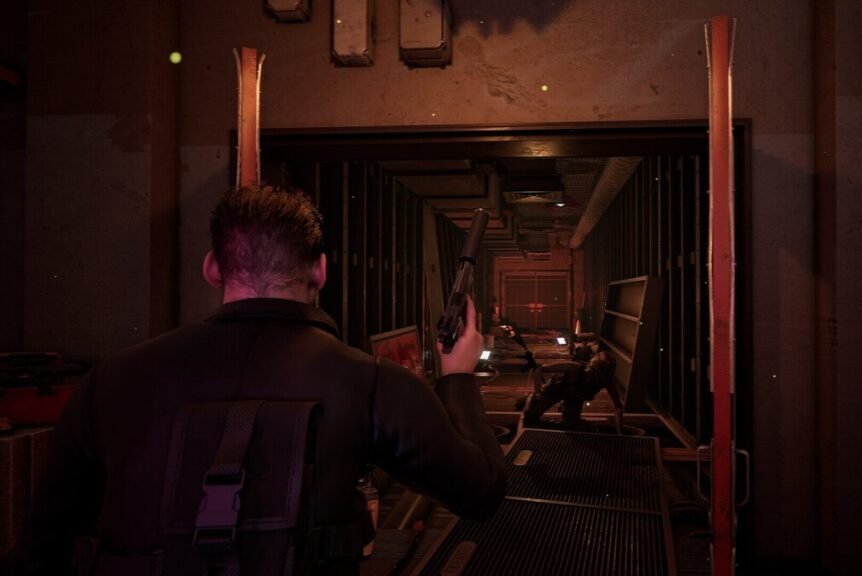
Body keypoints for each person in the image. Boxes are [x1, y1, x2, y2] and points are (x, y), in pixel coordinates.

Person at [5, 184, 506, 575]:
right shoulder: (372, 381)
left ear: (212, 268)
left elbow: (41, 550)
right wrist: (457, 378)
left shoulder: (110, 380)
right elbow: (481, 491)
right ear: (320, 271)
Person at [517, 339, 622, 431]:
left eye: (600, 377)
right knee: (529, 417)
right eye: (595, 374)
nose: (597, 378)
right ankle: (528, 403)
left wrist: (619, 431)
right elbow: (540, 370)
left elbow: (618, 407)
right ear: (591, 368)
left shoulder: (606, 381)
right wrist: (538, 392)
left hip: (574, 398)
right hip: (554, 391)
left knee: (571, 426)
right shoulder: (574, 368)